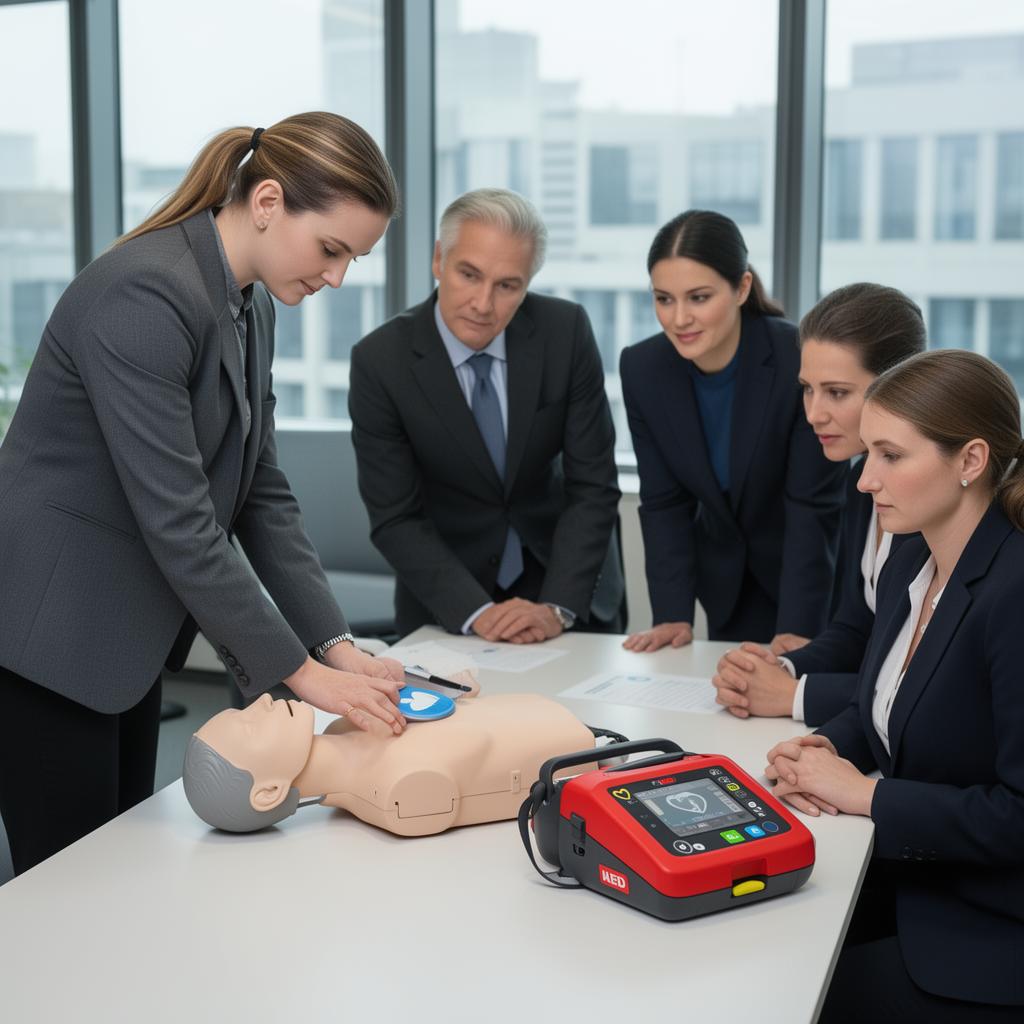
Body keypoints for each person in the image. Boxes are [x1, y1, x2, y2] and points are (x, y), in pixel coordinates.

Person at [0, 112, 409, 876]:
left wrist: (335, 645)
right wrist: (305, 675)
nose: (336, 277)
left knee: (118, 868)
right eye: (331, 249)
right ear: (266, 202)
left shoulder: (248, 300)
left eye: (351, 258)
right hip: (46, 634)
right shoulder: (147, 293)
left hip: (121, 631)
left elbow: (262, 491)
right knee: (65, 891)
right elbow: (182, 522)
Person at [764, 349, 1024, 1019]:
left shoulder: (1013, 591)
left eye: (890, 456)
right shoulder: (914, 551)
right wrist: (821, 747)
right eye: (867, 455)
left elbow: (1019, 815)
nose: (864, 481)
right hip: (906, 876)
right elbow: (877, 705)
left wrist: (866, 795)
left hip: (986, 924)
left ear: (970, 461)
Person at [349, 188, 624, 643]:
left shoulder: (565, 332)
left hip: (566, 591)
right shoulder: (381, 361)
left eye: (507, 285)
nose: (482, 303)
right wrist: (476, 611)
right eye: (469, 274)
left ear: (527, 284)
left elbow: (592, 487)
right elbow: (396, 516)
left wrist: (557, 607)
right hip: (450, 601)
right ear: (440, 259)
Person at [620, 209, 845, 650]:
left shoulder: (795, 356)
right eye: (664, 299)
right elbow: (664, 502)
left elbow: (812, 505)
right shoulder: (643, 368)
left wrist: (799, 626)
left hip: (812, 583)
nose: (679, 318)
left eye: (699, 298)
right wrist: (672, 615)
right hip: (728, 587)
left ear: (742, 287)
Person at [712, 283, 926, 723]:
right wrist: (782, 668)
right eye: (807, 389)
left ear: (899, 383)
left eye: (837, 392)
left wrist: (794, 696)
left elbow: (921, 680)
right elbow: (855, 629)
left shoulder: (930, 498)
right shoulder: (857, 485)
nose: (813, 413)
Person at [184, 690, 595, 836]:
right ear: (269, 792)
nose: (262, 702)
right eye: (250, 727)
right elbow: (473, 745)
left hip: (533, 712)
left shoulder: (344, 727)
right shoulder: (396, 790)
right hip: (569, 745)